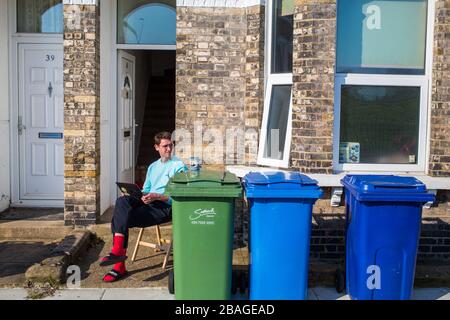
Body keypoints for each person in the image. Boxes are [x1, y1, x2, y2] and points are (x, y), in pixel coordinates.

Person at [99, 131, 187, 282]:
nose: (168, 149)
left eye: (170, 145)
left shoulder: (178, 166)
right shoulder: (153, 167)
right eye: (165, 146)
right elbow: (146, 189)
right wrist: (138, 195)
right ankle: (118, 253)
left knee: (120, 218)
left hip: (164, 205)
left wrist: (157, 196)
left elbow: (179, 196)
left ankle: (119, 263)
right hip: (149, 200)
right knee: (122, 202)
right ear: (156, 147)